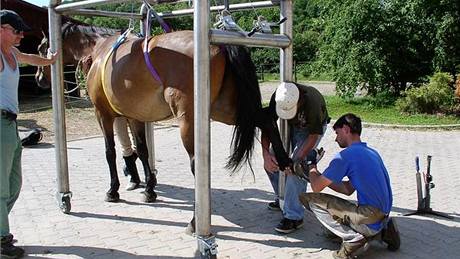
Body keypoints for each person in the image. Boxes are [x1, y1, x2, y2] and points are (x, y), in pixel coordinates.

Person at [299, 113, 400, 259]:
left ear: (345, 129)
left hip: (368, 216)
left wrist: (311, 165)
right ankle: (384, 233)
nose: (336, 138)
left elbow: (316, 187)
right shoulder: (371, 153)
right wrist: (322, 176)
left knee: (308, 198)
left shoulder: (345, 156)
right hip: (381, 215)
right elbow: (347, 189)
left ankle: (352, 238)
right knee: (329, 232)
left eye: (337, 133)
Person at [1, 10, 58, 258]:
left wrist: (50, 61)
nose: (21, 35)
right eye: (16, 30)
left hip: (11, 125)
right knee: (2, 187)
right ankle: (2, 240)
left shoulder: (11, 53)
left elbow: (30, 58)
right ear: (1, 28)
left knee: (14, 183)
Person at [261, 82, 330, 233]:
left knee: (296, 170)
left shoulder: (312, 102)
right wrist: (266, 154)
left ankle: (294, 217)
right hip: (290, 126)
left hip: (309, 130)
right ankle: (284, 198)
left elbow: (313, 136)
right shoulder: (278, 96)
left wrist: (296, 160)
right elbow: (267, 125)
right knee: (272, 163)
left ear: (301, 101)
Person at [113, 117, 141, 190]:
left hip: (133, 111)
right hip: (117, 113)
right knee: (125, 146)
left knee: (139, 145)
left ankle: (127, 167)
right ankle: (133, 178)